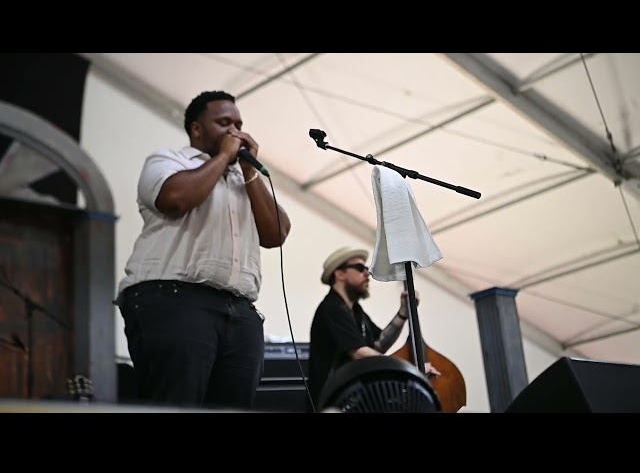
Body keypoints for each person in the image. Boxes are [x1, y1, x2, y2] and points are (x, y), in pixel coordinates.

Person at [114, 90, 291, 410]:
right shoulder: (168, 160)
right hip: (174, 298)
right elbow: (175, 199)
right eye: (224, 123)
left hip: (239, 311)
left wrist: (249, 171)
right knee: (177, 403)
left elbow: (276, 233)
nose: (235, 132)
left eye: (239, 124)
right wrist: (223, 158)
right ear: (197, 129)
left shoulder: (245, 180)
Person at [307, 246, 440, 412]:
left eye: (367, 269)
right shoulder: (332, 308)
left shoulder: (356, 311)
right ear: (339, 274)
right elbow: (360, 353)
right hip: (332, 402)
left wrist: (402, 314)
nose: (367, 273)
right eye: (360, 268)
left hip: (351, 397)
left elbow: (378, 345)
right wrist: (412, 369)